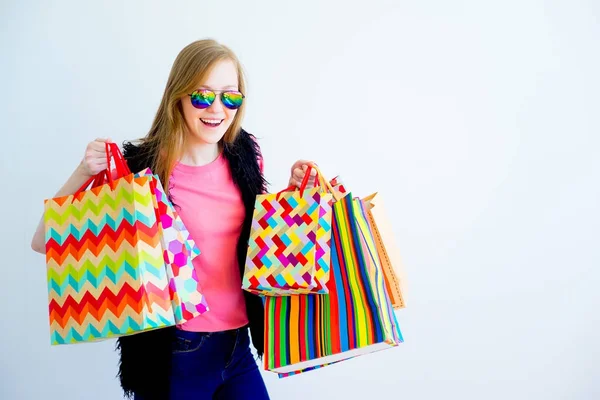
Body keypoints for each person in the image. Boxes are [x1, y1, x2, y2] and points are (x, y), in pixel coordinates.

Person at [30, 38, 318, 399]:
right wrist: (83, 173)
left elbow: (257, 246)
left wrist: (296, 198)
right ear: (178, 96)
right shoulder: (139, 170)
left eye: (230, 96)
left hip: (238, 346)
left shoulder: (245, 157)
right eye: (202, 95)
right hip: (176, 353)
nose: (217, 108)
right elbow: (44, 241)